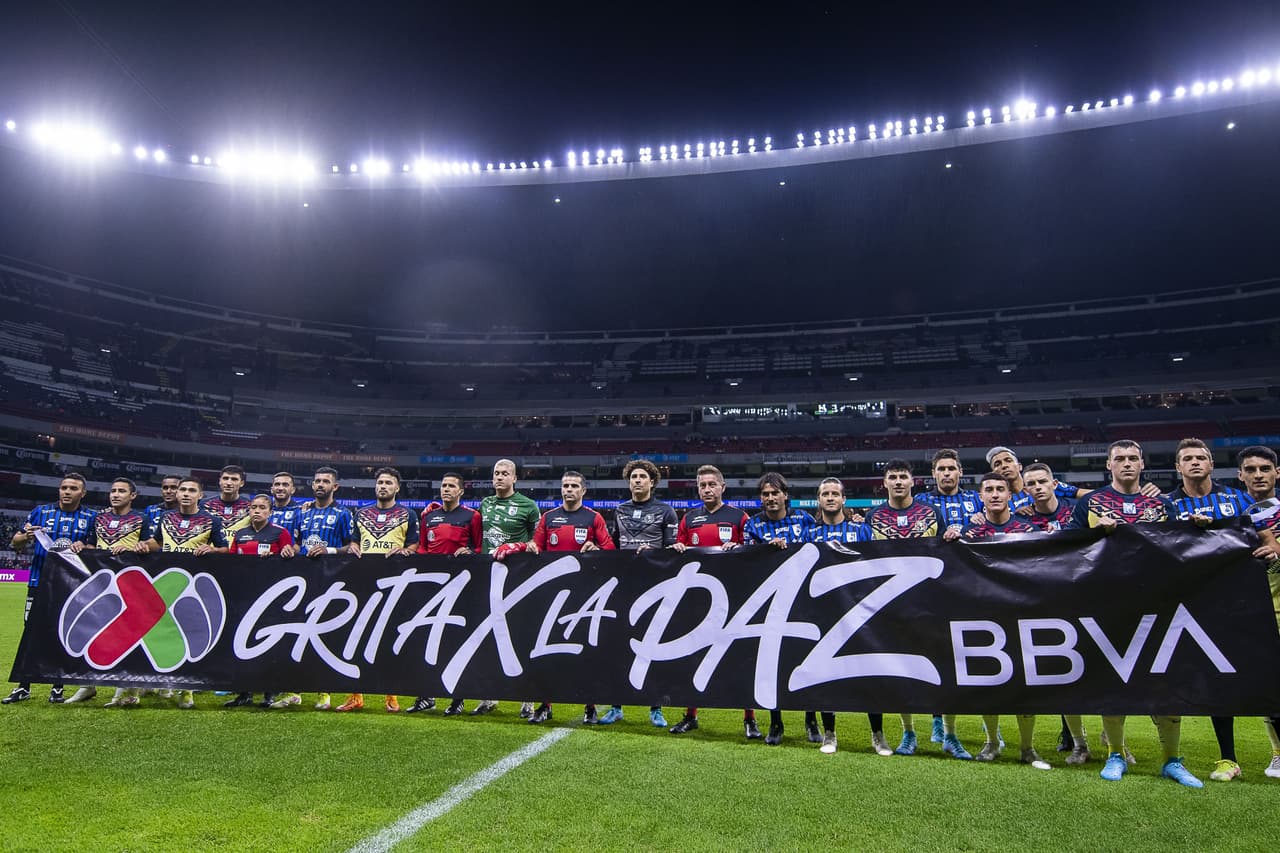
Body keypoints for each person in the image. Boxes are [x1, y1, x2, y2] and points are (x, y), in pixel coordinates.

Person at [1066, 439, 1204, 788]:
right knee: (1113, 680)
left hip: (1158, 605)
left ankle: (1171, 760)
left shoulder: (1162, 505)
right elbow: (1064, 550)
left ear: (1142, 464)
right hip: (1107, 603)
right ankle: (1115, 754)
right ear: (1108, 465)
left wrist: (1201, 530)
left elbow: (1180, 549)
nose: (1126, 463)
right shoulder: (1091, 504)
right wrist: (1095, 535)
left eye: (1132, 458)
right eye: (1119, 459)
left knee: (1165, 681)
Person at [864, 459, 973, 761]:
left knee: (944, 667)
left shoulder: (931, 513)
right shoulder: (872, 518)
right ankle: (908, 733)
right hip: (891, 605)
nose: (898, 481)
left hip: (930, 602)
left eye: (903, 477)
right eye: (892, 477)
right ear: (883, 483)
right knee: (902, 671)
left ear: (913, 481)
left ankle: (950, 735)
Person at [1164, 438, 1255, 782]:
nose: (1195, 462)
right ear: (1178, 467)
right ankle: (1223, 759)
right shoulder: (1167, 505)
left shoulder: (1237, 498)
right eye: (1187, 458)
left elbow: (1261, 536)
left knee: (1259, 670)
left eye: (1201, 457)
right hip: (1186, 604)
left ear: (1211, 464)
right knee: (1201, 677)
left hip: (1238, 600)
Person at [961, 473, 1048, 769]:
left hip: (1021, 612)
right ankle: (991, 742)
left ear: (1011, 494)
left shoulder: (1026, 528)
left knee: (1026, 680)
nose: (995, 494)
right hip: (984, 614)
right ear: (981, 496)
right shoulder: (969, 532)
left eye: (1001, 489)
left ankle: (1027, 746)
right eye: (989, 490)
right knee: (989, 679)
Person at [667, 464, 759, 739]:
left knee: (741, 657)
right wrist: (678, 549)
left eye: (712, 484)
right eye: (702, 485)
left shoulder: (739, 517)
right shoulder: (689, 519)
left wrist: (740, 547)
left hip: (734, 597)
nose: (707, 489)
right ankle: (690, 715)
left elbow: (752, 551)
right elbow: (677, 554)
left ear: (722, 487)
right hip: (698, 599)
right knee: (692, 655)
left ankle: (750, 719)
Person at [518, 471, 615, 725]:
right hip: (552, 596)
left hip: (584, 596)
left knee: (586, 654)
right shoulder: (548, 518)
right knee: (546, 654)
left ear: (583, 491)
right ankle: (545, 704)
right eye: (565, 486)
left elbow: (611, 550)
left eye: (573, 486)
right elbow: (536, 547)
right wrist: (531, 547)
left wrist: (597, 548)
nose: (568, 489)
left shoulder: (594, 518)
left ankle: (589, 706)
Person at [3, 473, 97, 706]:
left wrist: (84, 546)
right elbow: (15, 542)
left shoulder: (91, 517)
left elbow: (95, 547)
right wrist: (26, 535)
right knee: (31, 634)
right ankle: (23, 687)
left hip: (71, 585)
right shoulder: (40, 512)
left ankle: (58, 687)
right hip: (38, 582)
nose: (66, 491)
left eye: (73, 488)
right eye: (63, 487)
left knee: (64, 634)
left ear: (82, 493)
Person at [137, 477, 229, 709]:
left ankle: (186, 690)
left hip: (192, 586)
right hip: (167, 582)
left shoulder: (211, 521)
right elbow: (158, 542)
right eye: (182, 490)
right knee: (161, 631)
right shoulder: (167, 518)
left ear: (200, 495)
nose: (186, 494)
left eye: (191, 490)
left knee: (189, 635)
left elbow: (225, 549)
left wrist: (213, 549)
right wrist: (142, 546)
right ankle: (163, 680)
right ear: (176, 495)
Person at [740, 473, 814, 746]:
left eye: (775, 493)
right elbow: (746, 560)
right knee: (772, 665)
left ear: (785, 494)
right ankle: (776, 722)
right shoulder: (754, 524)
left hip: (804, 601)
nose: (770, 498)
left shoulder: (804, 519)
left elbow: (817, 551)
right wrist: (766, 551)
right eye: (765, 494)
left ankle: (811, 719)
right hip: (768, 606)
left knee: (808, 662)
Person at [606, 459, 680, 728]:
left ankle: (655, 707)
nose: (637, 480)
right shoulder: (619, 510)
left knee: (652, 648)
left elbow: (672, 549)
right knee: (618, 648)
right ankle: (616, 706)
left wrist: (652, 554)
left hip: (655, 587)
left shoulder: (666, 511)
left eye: (642, 477)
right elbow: (612, 545)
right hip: (624, 587)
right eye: (633, 477)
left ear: (652, 481)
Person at [1021, 462, 1087, 759]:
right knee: (1061, 668)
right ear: (1025, 489)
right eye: (1031, 484)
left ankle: (1116, 743)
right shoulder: (1022, 519)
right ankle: (1073, 737)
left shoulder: (1079, 510)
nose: (1037, 487)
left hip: (1080, 595)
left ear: (1054, 483)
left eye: (1042, 481)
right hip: (1044, 601)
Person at [339, 468, 418, 714]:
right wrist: (353, 547)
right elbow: (353, 540)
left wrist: (406, 551)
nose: (383, 486)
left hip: (394, 584)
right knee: (355, 638)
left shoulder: (408, 514)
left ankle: (391, 694)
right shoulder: (361, 513)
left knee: (389, 639)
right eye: (380, 482)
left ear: (397, 488)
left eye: (388, 483)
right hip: (363, 581)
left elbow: (415, 544)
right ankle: (355, 695)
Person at [65, 478, 149, 707]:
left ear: (133, 495)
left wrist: (135, 547)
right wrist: (83, 547)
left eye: (121, 491)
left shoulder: (142, 518)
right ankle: (87, 685)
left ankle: (125, 690)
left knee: (127, 634)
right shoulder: (99, 517)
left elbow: (151, 546)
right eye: (112, 490)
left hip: (128, 584)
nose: (115, 494)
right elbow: (93, 544)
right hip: (101, 583)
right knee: (92, 632)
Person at [804, 477, 871, 754]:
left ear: (844, 499)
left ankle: (877, 734)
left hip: (860, 612)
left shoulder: (862, 530)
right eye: (825, 494)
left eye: (835, 494)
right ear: (818, 500)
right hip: (823, 613)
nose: (830, 498)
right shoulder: (808, 534)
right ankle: (828, 732)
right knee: (823, 674)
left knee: (867, 672)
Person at [412, 472, 483, 716]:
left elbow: (479, 548)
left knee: (455, 642)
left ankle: (458, 697)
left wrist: (470, 553)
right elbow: (422, 547)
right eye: (443, 485)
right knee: (426, 640)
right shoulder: (429, 516)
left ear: (461, 491)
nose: (446, 489)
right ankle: (425, 695)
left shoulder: (472, 517)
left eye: (452, 486)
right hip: (432, 587)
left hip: (461, 588)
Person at [474, 458, 540, 717]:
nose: (499, 477)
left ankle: (528, 698)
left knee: (520, 636)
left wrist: (520, 547)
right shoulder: (485, 504)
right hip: (488, 577)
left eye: (505, 473)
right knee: (488, 636)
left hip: (517, 579)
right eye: (496, 473)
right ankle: (489, 697)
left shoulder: (528, 506)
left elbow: (538, 542)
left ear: (515, 479)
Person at [224, 494, 297, 709]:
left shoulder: (280, 533)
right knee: (239, 644)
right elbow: (231, 561)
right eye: (254, 507)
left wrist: (287, 551)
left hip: (270, 596)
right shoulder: (240, 534)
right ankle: (243, 693)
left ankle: (269, 693)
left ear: (270, 512)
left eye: (262, 507)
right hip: (244, 595)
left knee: (269, 645)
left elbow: (291, 552)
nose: (257, 510)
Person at [1234, 445, 1280, 780]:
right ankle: (1278, 754)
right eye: (1250, 470)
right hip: (1257, 608)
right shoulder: (1235, 513)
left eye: (1265, 468)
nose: (1258, 475)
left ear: (1277, 472)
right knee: (1271, 687)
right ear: (1240, 476)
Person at [295, 466, 355, 710]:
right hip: (302, 580)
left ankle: (324, 692)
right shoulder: (303, 513)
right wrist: (293, 549)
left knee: (324, 635)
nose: (320, 484)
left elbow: (351, 547)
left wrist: (328, 550)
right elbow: (297, 542)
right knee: (297, 634)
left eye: (325, 481)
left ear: (335, 486)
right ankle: (294, 690)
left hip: (330, 581)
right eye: (317, 481)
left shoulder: (343, 513)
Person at [986, 446, 1090, 513]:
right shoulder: (995, 500)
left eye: (1008, 460)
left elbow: (1086, 494)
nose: (1004, 466)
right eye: (997, 464)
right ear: (993, 473)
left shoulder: (1044, 484)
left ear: (1019, 466)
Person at [201, 464, 253, 538]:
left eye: (234, 479)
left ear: (242, 483)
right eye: (225, 478)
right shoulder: (205, 504)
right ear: (220, 481)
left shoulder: (250, 507)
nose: (229, 483)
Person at [268, 471, 303, 542]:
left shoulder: (301, 511)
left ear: (293, 490)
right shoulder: (263, 511)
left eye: (285, 485)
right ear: (272, 489)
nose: (280, 488)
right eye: (277, 484)